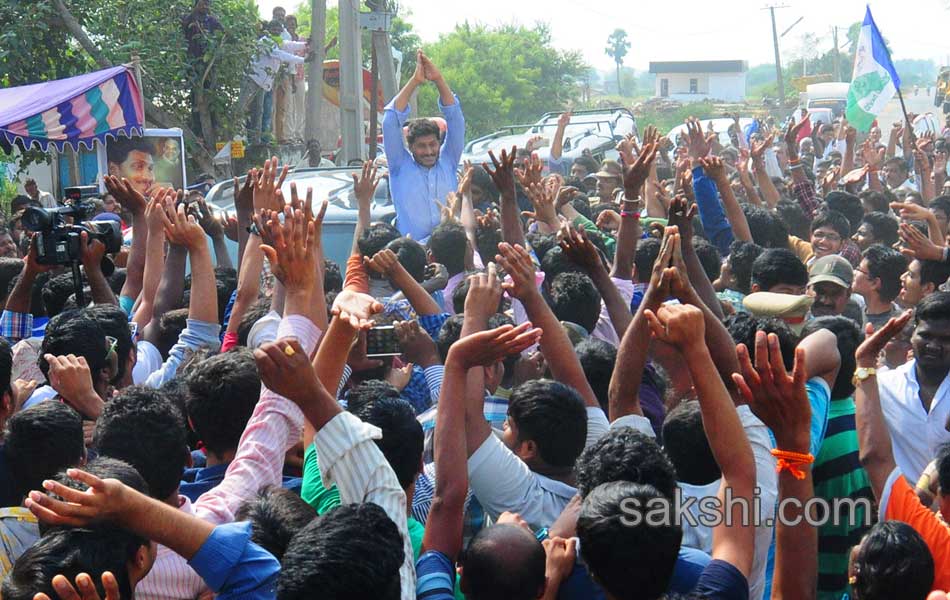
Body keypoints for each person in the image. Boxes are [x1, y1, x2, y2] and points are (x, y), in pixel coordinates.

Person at [382, 51, 465, 241]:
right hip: (413, 255)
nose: (428, 151)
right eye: (421, 146)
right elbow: (390, 121)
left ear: (439, 143)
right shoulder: (399, 167)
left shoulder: (449, 161)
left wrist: (438, 79)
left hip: (450, 253)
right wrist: (414, 81)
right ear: (410, 147)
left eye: (432, 144)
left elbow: (456, 118)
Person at [876, 294, 950, 483]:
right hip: (900, 508)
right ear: (913, 334)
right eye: (925, 336)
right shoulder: (884, 385)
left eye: (945, 339)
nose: (933, 346)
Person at [237, 21, 306, 144]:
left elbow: (289, 45)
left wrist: (305, 45)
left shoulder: (277, 42)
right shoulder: (265, 42)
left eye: (278, 29)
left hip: (262, 83)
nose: (276, 31)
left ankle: (256, 141)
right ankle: (236, 138)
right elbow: (280, 55)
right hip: (252, 80)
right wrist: (303, 59)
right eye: (273, 29)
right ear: (268, 30)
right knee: (241, 109)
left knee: (259, 111)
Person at [853, 245, 907, 329]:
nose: (854, 272)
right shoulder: (854, 311)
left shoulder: (892, 329)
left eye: (858, 269)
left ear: (874, 283)